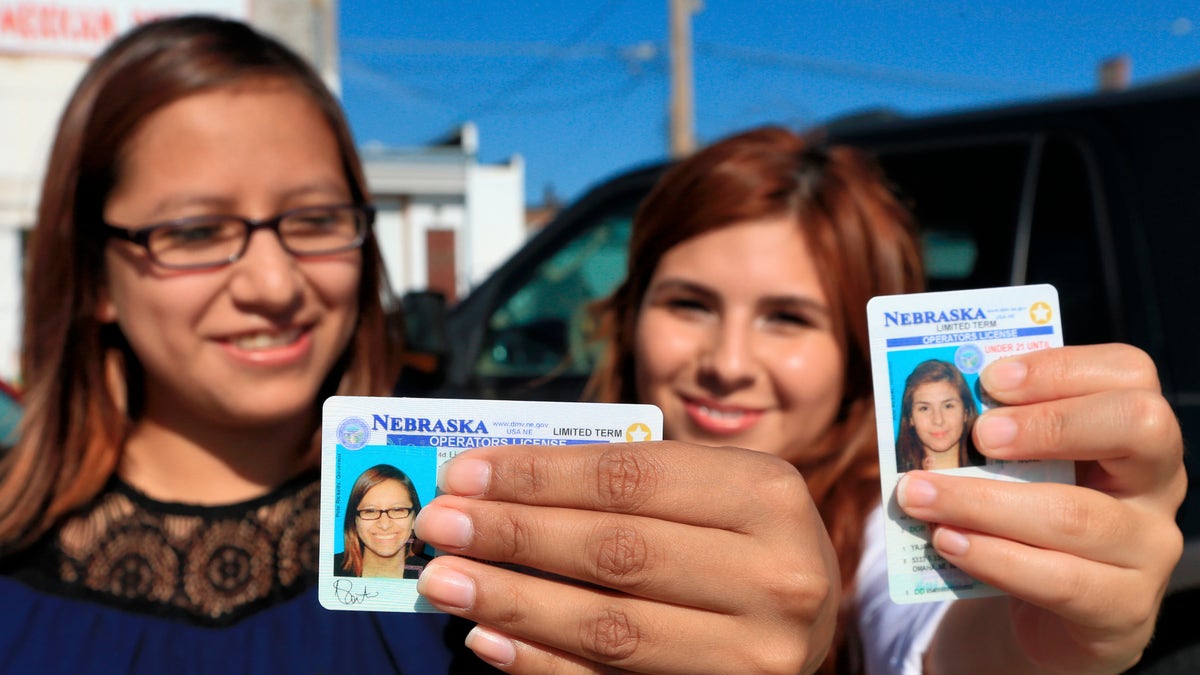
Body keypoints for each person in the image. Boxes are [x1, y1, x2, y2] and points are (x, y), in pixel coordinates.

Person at [0, 16, 842, 674]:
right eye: (194, 230)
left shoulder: (496, 532)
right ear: (93, 275)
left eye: (316, 219)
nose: (273, 281)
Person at [569, 126, 1185, 673]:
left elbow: (941, 645)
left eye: (787, 318)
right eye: (690, 304)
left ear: (855, 357)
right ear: (630, 316)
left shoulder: (894, 517)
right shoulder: (547, 488)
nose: (727, 364)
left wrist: (1050, 641)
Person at [337, 464, 430, 578]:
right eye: (370, 511)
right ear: (354, 521)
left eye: (397, 510)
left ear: (414, 518)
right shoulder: (328, 571)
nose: (384, 525)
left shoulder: (434, 572)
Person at [896, 359, 984, 472]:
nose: (938, 420)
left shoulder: (996, 466)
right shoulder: (887, 473)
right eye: (924, 408)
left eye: (948, 406)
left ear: (965, 412)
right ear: (910, 418)